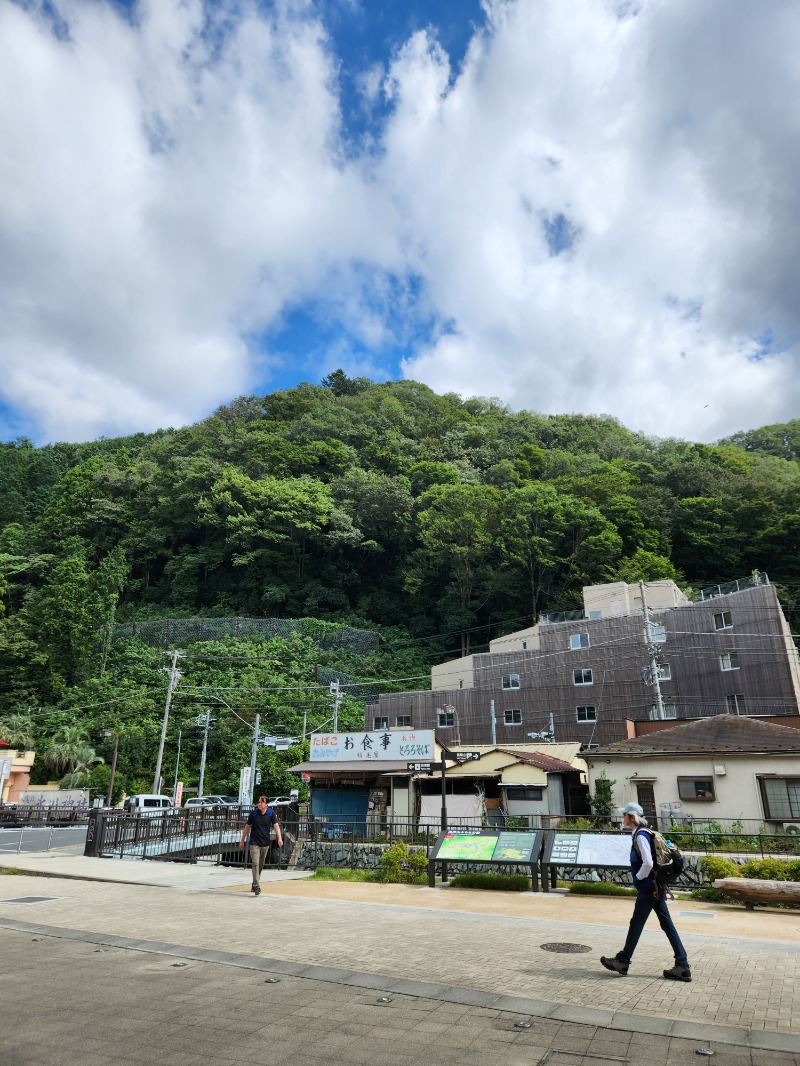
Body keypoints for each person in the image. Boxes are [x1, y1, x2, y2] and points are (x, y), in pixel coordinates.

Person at [600, 802, 691, 982]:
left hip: (649, 888)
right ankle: (682, 965)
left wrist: (639, 878)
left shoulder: (640, 835)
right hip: (657, 886)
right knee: (667, 925)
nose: (623, 817)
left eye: (625, 814)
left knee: (636, 924)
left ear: (631, 817)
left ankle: (623, 961)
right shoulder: (646, 833)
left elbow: (648, 862)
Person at [239, 796, 283, 896]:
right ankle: (257, 886)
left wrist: (279, 838)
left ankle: (254, 883)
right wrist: (242, 840)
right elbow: (246, 828)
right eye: (258, 802)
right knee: (255, 863)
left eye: (261, 802)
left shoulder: (271, 813)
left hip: (265, 843)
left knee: (261, 865)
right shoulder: (254, 813)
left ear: (266, 804)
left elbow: (276, 826)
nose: (259, 804)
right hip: (254, 842)